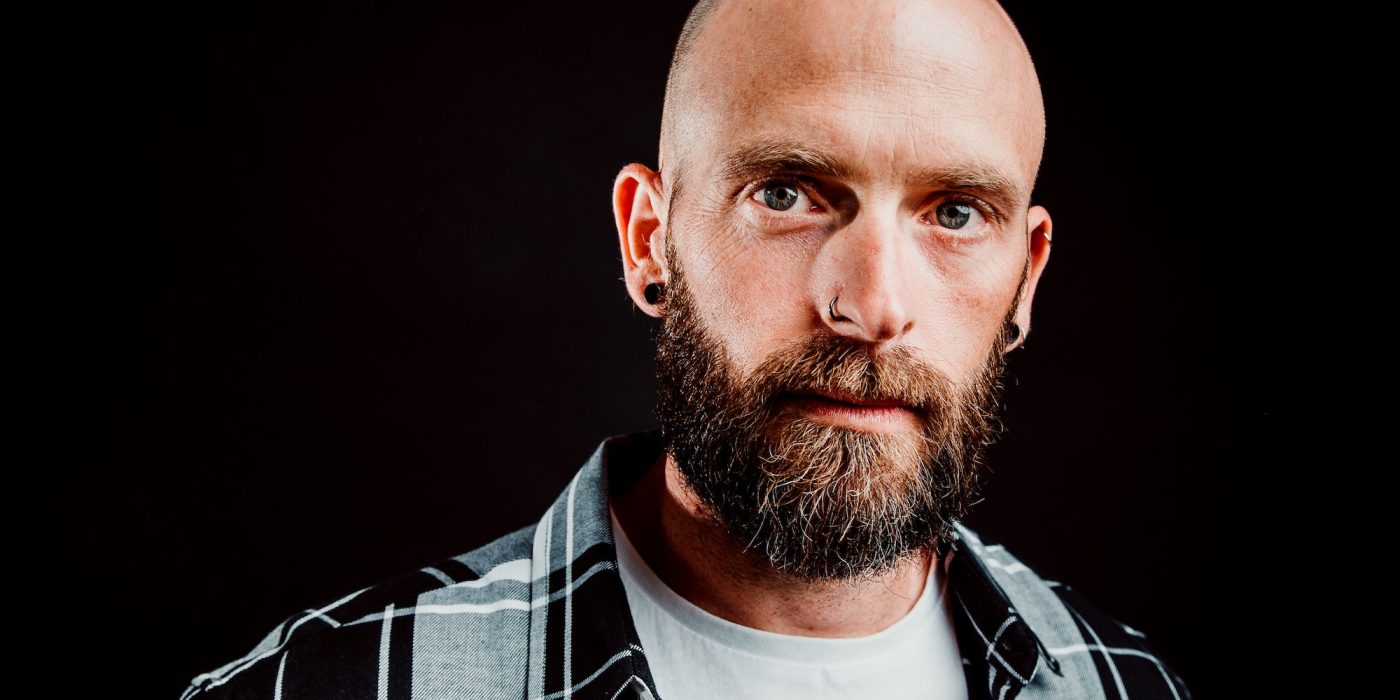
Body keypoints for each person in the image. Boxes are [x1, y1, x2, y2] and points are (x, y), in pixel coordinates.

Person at [181, 1, 1191, 698]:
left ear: (1025, 277)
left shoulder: (1126, 683)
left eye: (956, 212)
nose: (875, 306)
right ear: (647, 240)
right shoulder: (322, 688)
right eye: (787, 194)